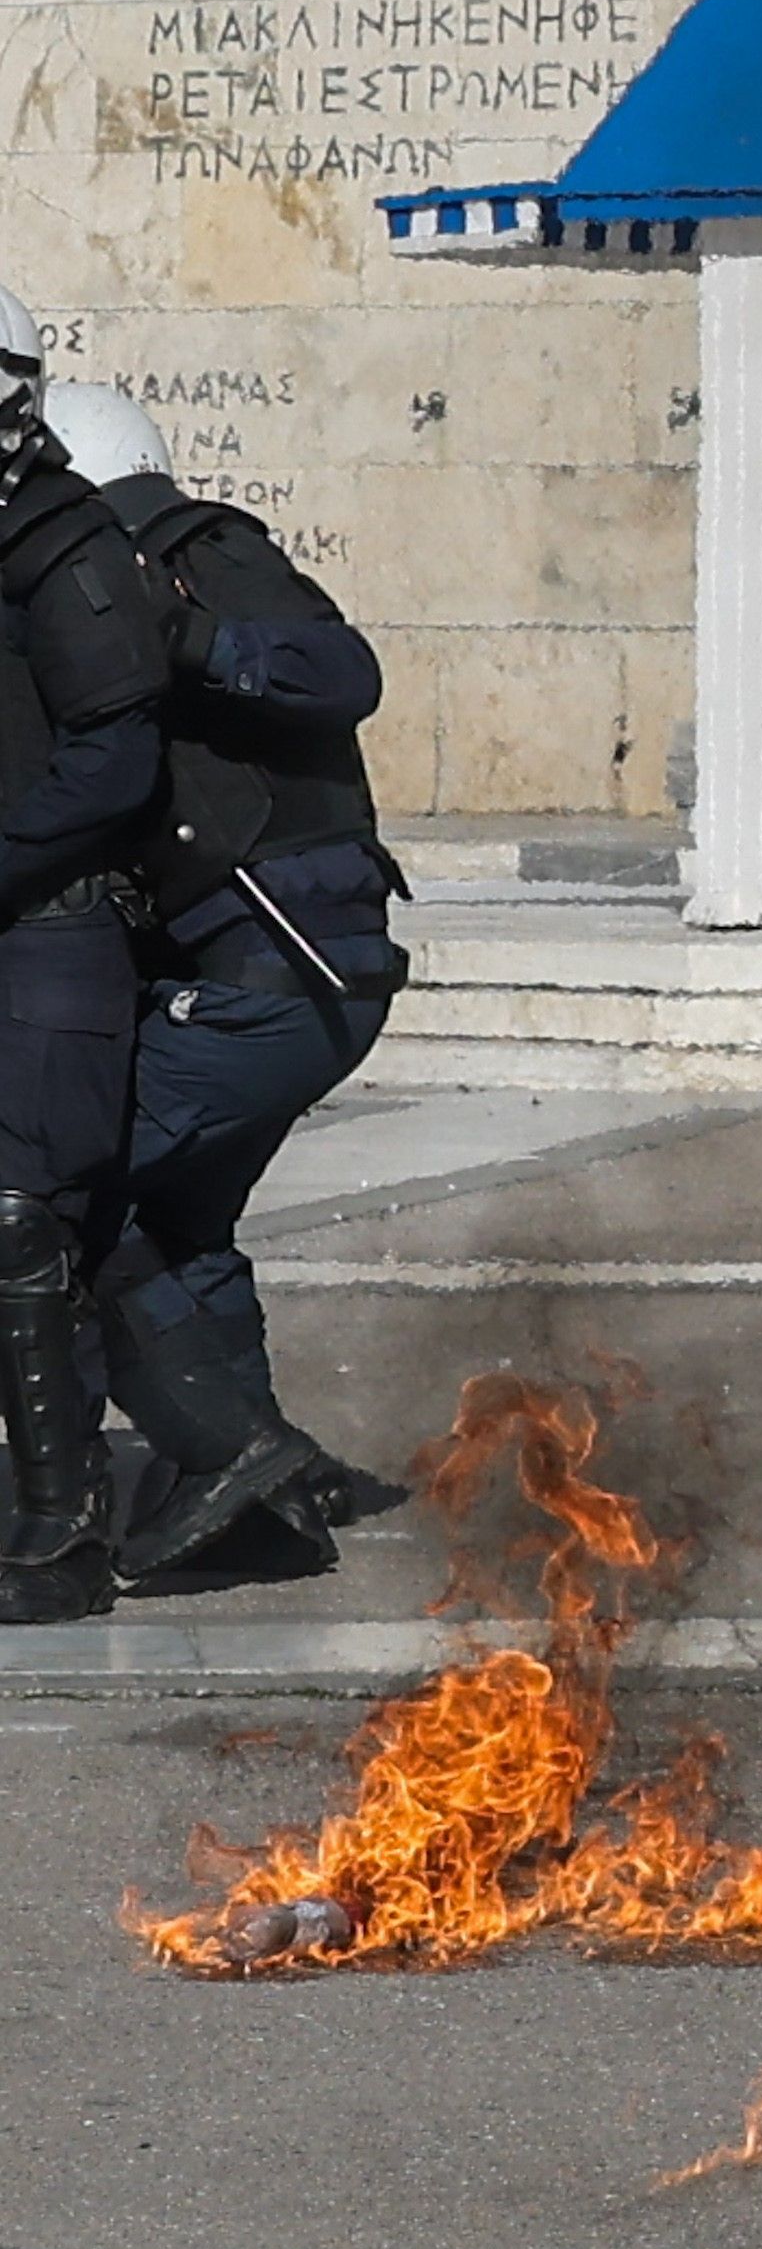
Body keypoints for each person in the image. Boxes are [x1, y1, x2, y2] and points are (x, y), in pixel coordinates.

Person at [31, 382, 409, 1585]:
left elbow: (341, 671)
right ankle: (275, 1477)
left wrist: (182, 637)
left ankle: (226, 1449)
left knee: (64, 1197)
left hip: (279, 965)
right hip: (279, 971)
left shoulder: (185, 553)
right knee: (181, 1219)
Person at [0, 292, 182, 1622]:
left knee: (23, 1224)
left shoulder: (64, 544)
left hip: (53, 933)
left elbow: (112, 755)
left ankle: (61, 1537)